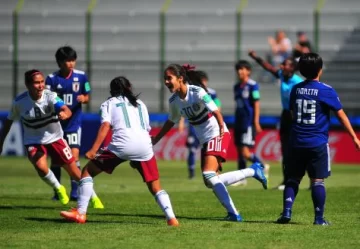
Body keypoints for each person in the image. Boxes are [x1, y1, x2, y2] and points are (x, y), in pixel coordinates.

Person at [151, 64, 268, 222]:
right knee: (210, 181)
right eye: (164, 78)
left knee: (208, 174)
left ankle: (234, 213)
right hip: (204, 139)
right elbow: (171, 121)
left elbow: (215, 111)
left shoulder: (197, 92)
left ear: (180, 79)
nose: (166, 81)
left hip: (216, 133)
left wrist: (221, 128)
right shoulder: (174, 101)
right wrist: (157, 138)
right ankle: (253, 171)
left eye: (169, 78)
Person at [60, 76, 179, 226]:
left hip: (121, 145)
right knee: (155, 187)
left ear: (112, 91)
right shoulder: (140, 104)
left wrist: (93, 149)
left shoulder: (109, 104)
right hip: (145, 146)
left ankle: (81, 213)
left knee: (87, 171)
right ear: (129, 87)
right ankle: (171, 218)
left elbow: (105, 127)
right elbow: (145, 128)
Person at [276, 53, 360, 225]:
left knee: (293, 178)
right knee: (317, 180)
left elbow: (292, 113)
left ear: (300, 70)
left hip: (296, 142)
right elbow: (341, 116)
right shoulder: (326, 90)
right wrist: (354, 137)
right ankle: (319, 219)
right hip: (317, 143)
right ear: (320, 70)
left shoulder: (296, 89)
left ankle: (286, 212)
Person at [0, 69, 103, 208]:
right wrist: (1, 141)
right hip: (33, 140)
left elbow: (66, 109)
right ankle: (58, 187)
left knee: (74, 172)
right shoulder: (19, 102)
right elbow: (8, 122)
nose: (41, 85)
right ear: (27, 84)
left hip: (55, 138)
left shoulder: (50, 96)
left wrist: (65, 113)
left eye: (42, 82)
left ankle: (94, 198)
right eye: (37, 83)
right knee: (40, 167)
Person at [249, 50, 303, 190]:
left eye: (284, 64)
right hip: (285, 115)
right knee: (285, 150)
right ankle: (286, 181)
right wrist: (256, 57)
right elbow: (268, 67)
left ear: (292, 67)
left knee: (300, 150)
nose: (281, 66)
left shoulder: (298, 82)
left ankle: (310, 181)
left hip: (296, 117)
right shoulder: (282, 75)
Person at [45, 46, 91, 201]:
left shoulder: (82, 76)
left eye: (72, 60)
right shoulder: (51, 79)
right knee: (56, 159)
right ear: (59, 62)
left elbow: (87, 94)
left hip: (74, 124)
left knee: (74, 156)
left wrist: (83, 99)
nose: (71, 63)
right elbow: (47, 99)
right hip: (56, 125)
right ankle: (58, 191)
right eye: (67, 61)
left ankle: (75, 192)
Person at [178, 68, 222, 179]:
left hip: (209, 125)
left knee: (209, 169)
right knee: (192, 149)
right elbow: (184, 108)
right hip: (194, 126)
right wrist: (182, 122)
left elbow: (217, 106)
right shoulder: (190, 92)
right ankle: (191, 172)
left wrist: (219, 121)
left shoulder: (210, 92)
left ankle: (217, 171)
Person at [232, 60, 269, 186]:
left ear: (248, 71)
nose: (240, 72)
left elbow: (256, 104)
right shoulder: (236, 87)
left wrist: (256, 121)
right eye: (238, 69)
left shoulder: (253, 86)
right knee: (239, 150)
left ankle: (262, 166)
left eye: (242, 69)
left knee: (245, 152)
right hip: (239, 121)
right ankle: (241, 178)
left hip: (248, 122)